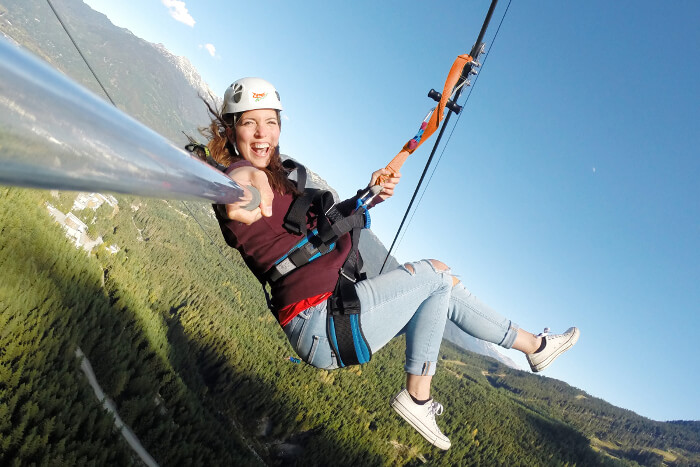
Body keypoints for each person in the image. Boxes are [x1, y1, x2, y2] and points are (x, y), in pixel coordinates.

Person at [198, 77, 580, 450]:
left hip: (329, 311)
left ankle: (533, 347)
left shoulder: (282, 181)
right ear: (231, 131)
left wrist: (371, 195)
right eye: (249, 122)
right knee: (436, 273)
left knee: (445, 286)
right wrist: (247, 190)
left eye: (270, 122)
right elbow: (241, 189)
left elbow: (320, 228)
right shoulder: (235, 178)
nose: (262, 133)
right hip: (320, 321)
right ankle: (424, 395)